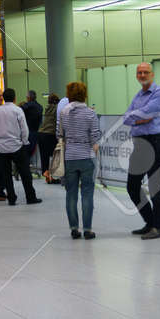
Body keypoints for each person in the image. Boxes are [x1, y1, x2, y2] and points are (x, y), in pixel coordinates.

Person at [123, 62, 160, 240]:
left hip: (155, 142)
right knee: (132, 186)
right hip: (140, 143)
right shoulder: (138, 95)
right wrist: (139, 118)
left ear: (152, 74)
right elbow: (127, 117)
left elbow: (147, 113)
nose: (142, 75)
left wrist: (139, 117)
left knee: (155, 186)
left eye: (145, 72)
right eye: (139, 72)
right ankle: (150, 222)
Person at [60, 82, 101, 239]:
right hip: (87, 156)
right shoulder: (90, 113)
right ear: (85, 94)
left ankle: (74, 229)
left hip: (70, 156)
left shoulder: (64, 112)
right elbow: (95, 136)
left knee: (71, 194)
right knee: (87, 193)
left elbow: (60, 134)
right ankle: (88, 229)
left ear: (69, 95)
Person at [0, 88, 42, 206]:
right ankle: (30, 197)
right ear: (14, 98)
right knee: (25, 173)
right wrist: (24, 141)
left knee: (6, 174)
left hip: (2, 147)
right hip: (16, 146)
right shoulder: (17, 110)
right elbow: (24, 129)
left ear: (3, 98)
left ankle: (12, 198)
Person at [37, 95, 60, 183]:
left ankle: (46, 174)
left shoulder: (47, 108)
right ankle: (53, 177)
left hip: (41, 133)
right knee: (55, 156)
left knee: (44, 156)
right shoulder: (56, 108)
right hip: (50, 134)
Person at [22, 89, 43, 172]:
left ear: (29, 97)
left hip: (27, 132)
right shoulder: (40, 107)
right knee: (31, 151)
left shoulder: (26, 106)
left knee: (25, 152)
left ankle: (24, 169)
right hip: (35, 132)